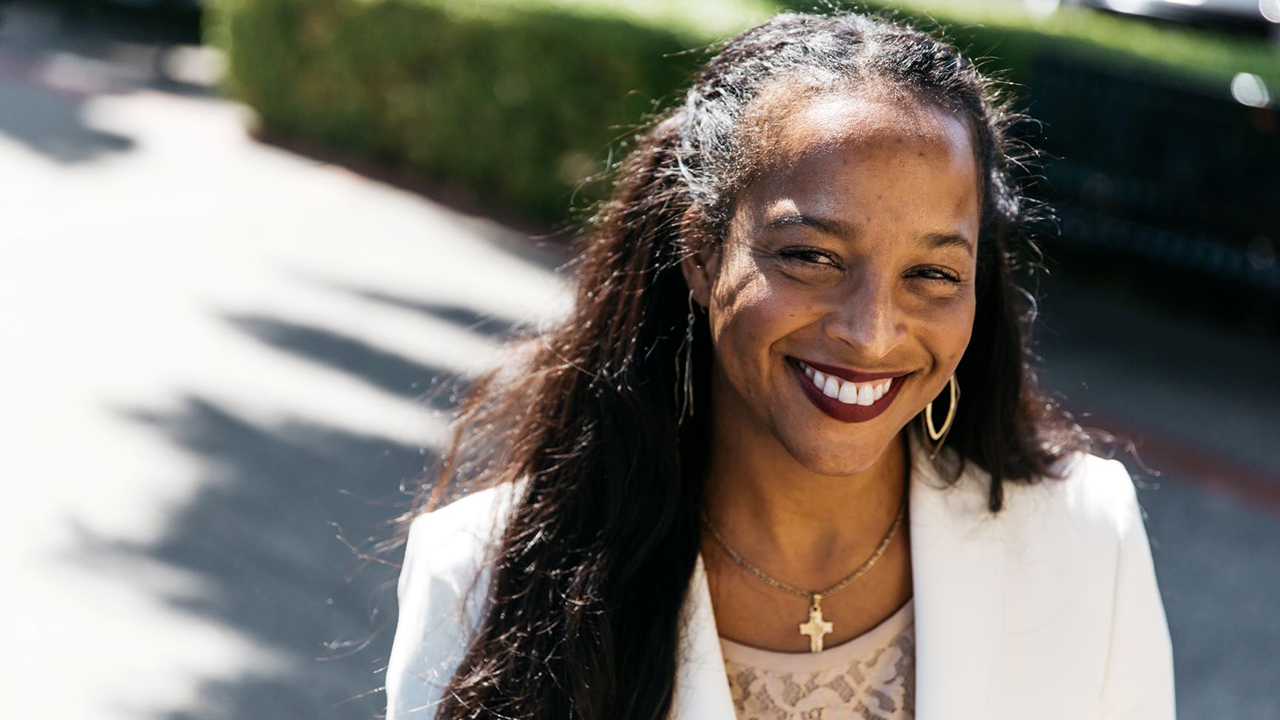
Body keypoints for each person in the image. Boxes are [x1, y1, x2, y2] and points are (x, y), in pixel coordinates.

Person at [384, 9, 1175, 720]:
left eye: (932, 274)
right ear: (699, 251)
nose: (871, 335)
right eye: (810, 257)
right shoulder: (481, 577)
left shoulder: (1085, 539)